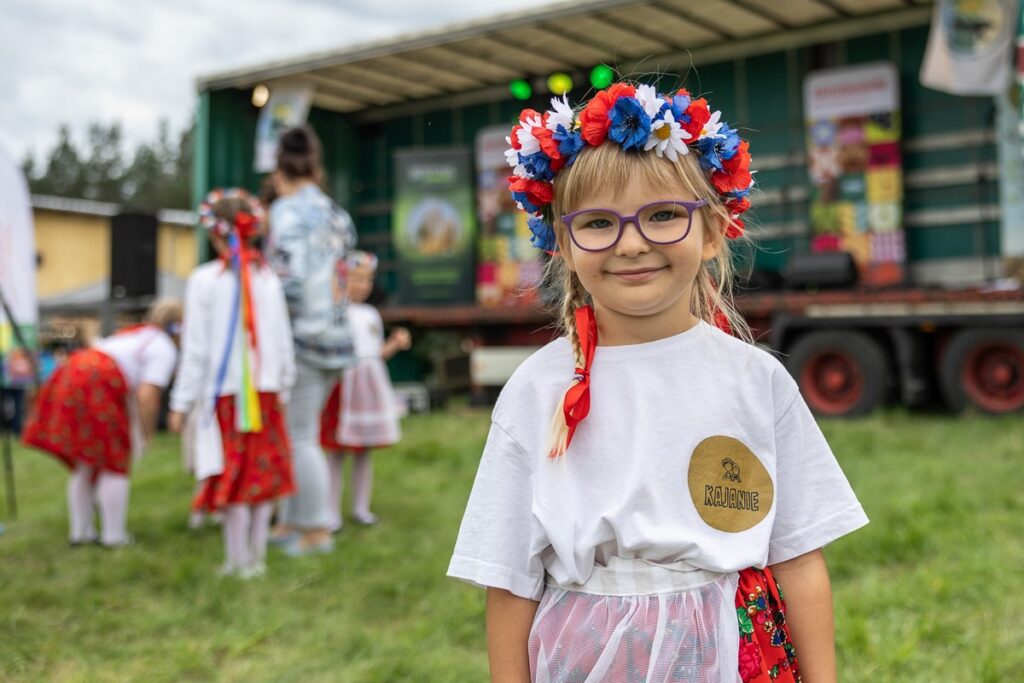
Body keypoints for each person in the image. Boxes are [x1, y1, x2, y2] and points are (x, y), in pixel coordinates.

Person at [448, 82, 869, 682]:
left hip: (735, 653)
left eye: (664, 215)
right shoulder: (537, 389)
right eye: (598, 222)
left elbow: (799, 556)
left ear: (714, 230)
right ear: (561, 243)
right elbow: (510, 580)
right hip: (586, 660)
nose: (632, 243)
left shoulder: (757, 379)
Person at [167, 188, 296, 578]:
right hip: (266, 390)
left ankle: (237, 559)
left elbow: (195, 347)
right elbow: (283, 337)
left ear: (214, 233)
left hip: (226, 394)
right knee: (259, 475)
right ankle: (254, 558)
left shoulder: (205, 280)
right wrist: (285, 383)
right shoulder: (268, 277)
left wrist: (181, 402)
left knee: (235, 475)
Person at [23, 300, 182, 547]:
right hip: (100, 381)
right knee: (114, 461)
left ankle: (81, 533)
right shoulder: (164, 347)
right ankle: (114, 535)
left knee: (85, 462)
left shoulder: (137, 333)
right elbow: (148, 396)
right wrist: (146, 433)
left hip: (74, 369)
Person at [267, 125, 357, 556]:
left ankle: (317, 530)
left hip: (302, 335)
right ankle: (290, 521)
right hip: (338, 335)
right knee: (297, 434)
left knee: (299, 437)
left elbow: (289, 279)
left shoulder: (284, 212)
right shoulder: (337, 213)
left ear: (278, 172)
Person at [320, 251, 410, 530]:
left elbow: (375, 353)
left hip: (367, 389)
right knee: (336, 451)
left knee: (363, 451)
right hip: (343, 388)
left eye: (367, 280)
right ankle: (330, 513)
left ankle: (361, 508)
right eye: (356, 279)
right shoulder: (334, 312)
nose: (363, 286)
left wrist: (395, 343)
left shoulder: (371, 314)